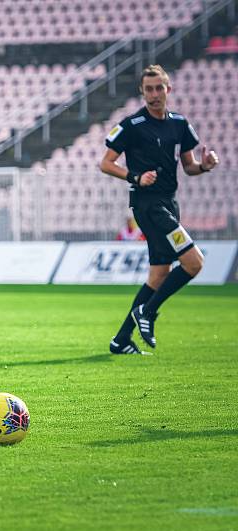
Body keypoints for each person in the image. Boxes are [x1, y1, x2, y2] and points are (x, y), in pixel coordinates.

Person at [99, 64, 219, 352]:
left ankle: (121, 339)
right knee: (194, 262)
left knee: (158, 275)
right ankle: (148, 312)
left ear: (168, 89)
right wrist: (135, 177)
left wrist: (204, 166)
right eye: (148, 89)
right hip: (148, 206)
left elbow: (189, 166)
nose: (154, 94)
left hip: (169, 203)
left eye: (159, 88)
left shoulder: (179, 124)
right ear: (142, 92)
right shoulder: (132, 125)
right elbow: (106, 163)